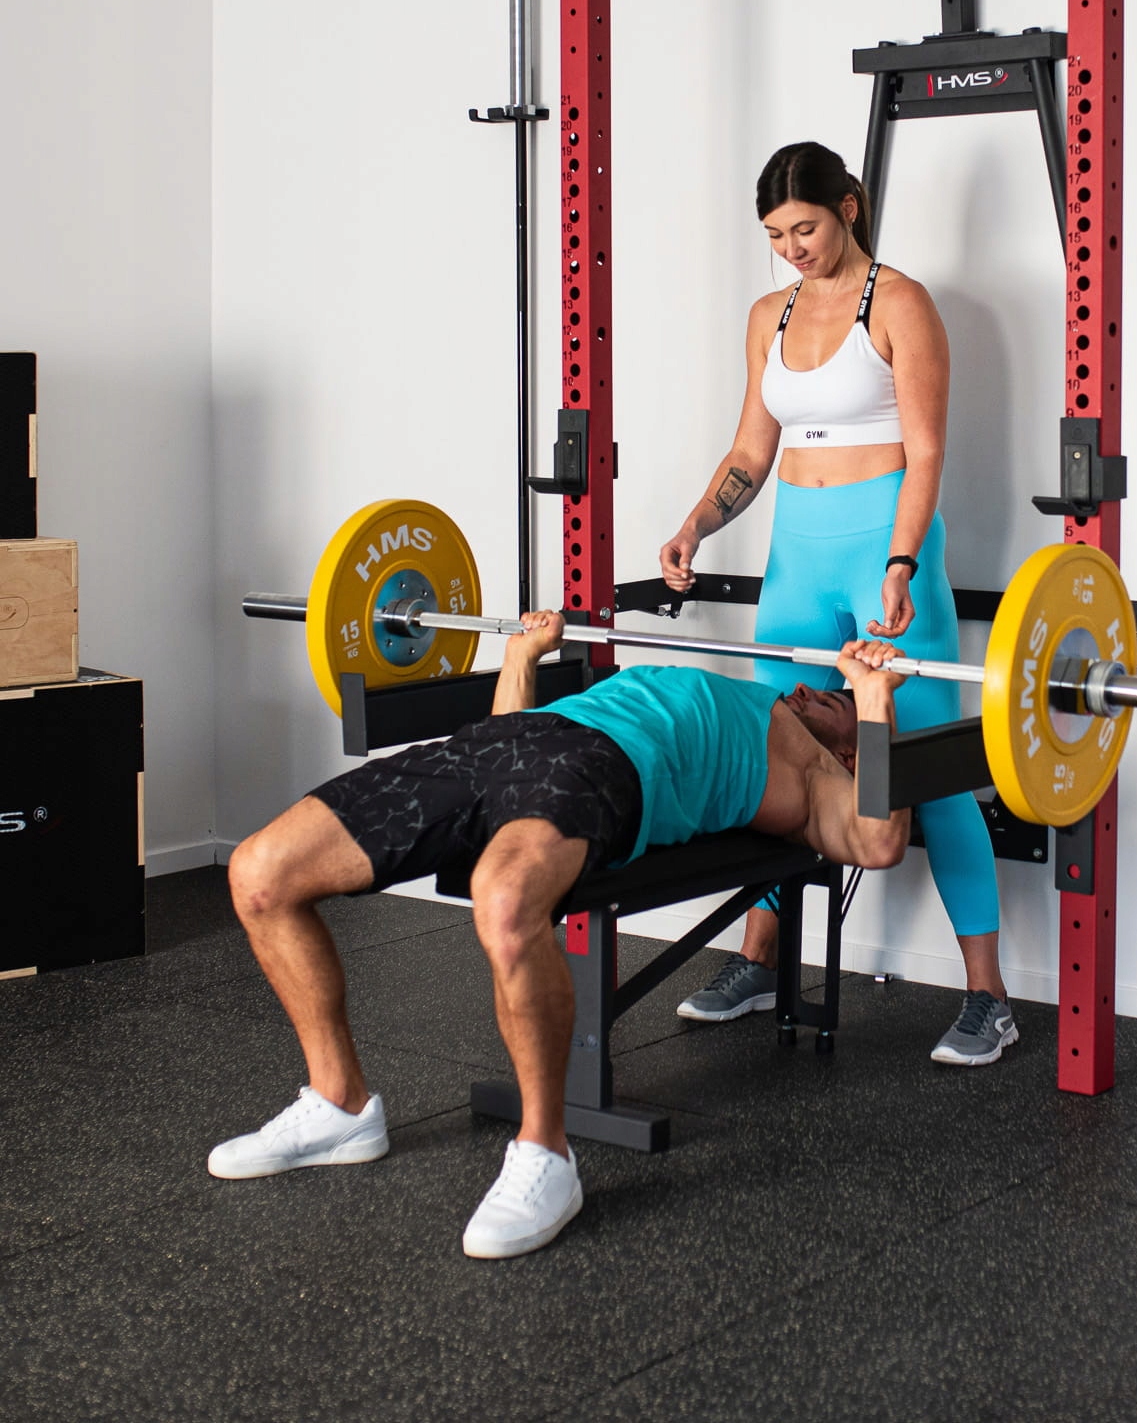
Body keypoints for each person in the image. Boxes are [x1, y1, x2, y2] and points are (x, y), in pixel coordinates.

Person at [209, 613, 912, 1261]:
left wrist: (876, 698)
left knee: (506, 903)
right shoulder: (768, 708)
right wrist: (523, 655)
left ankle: (545, 1154)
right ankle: (339, 1104)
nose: (806, 689)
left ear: (850, 753)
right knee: (259, 873)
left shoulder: (810, 774)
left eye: (834, 699)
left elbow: (877, 842)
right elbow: (503, 767)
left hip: (602, 766)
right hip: (502, 743)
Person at [660, 141, 1015, 1067]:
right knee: (775, 756)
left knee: (926, 769)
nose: (792, 248)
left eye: (805, 228)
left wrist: (901, 561)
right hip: (798, 556)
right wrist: (697, 525)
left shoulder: (901, 303)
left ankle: (989, 997)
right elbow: (751, 452)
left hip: (884, 554)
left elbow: (926, 452)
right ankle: (758, 964)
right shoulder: (767, 316)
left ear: (848, 209)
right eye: (776, 235)